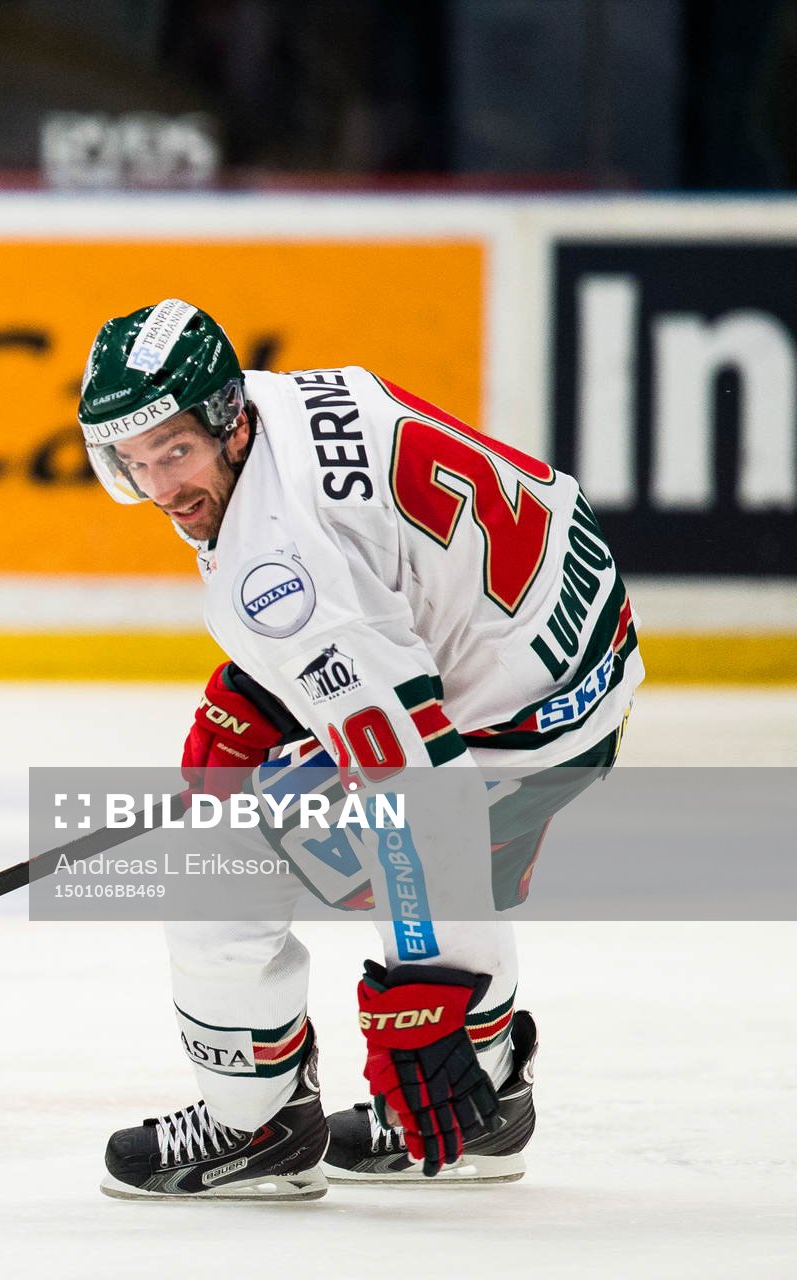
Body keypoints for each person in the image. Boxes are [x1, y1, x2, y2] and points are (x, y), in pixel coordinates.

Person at [75, 299, 642, 1199]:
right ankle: (484, 1102)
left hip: (517, 726)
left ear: (226, 422)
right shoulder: (277, 402)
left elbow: (416, 785)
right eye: (132, 462)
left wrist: (422, 993)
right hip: (577, 649)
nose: (159, 488)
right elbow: (389, 575)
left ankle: (252, 1125)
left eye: (173, 453)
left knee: (214, 859)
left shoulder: (283, 568)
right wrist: (268, 691)